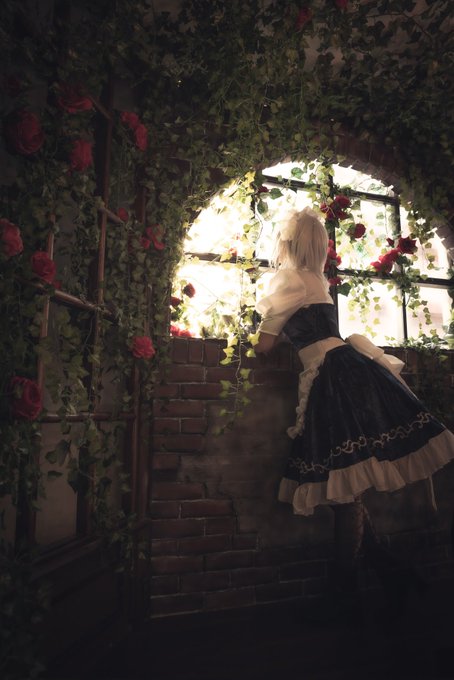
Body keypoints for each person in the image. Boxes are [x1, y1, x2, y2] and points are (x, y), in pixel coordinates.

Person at [254, 205, 454, 620]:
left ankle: (347, 592)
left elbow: (264, 346)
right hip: (348, 371)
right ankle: (392, 575)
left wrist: (261, 324)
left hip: (332, 379)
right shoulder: (316, 280)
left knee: (343, 491)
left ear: (286, 243)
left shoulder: (288, 280)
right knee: (346, 488)